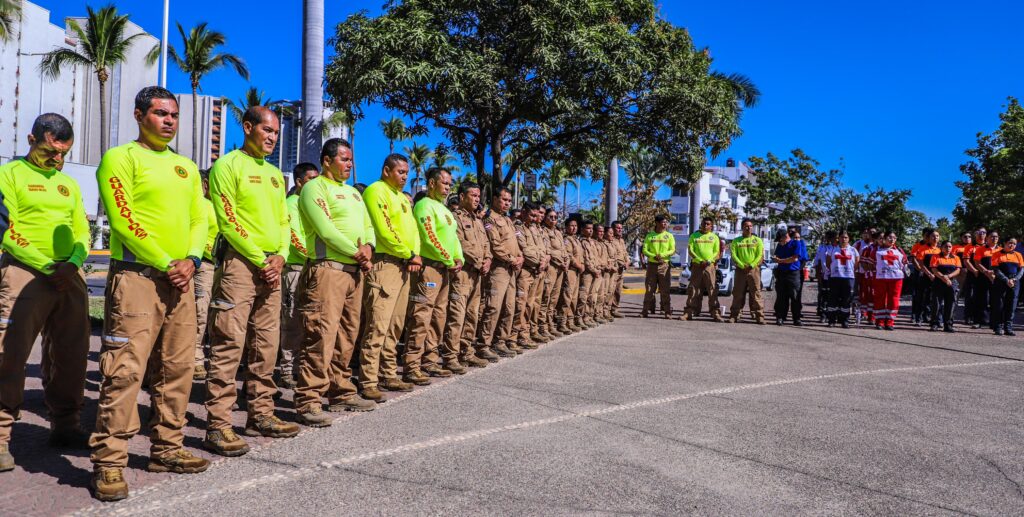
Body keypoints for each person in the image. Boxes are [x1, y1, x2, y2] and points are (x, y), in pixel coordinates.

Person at [90, 87, 210, 501]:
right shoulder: (120, 158)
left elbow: (199, 218)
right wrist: (165, 261)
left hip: (181, 280)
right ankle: (109, 461)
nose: (169, 121)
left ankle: (167, 449)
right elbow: (123, 219)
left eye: (174, 114)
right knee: (124, 371)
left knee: (177, 369)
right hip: (137, 279)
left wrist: (191, 260)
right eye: (160, 113)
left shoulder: (186, 167)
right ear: (139, 115)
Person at [205, 106, 298, 457]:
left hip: (272, 267)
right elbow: (228, 220)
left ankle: (261, 415)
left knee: (266, 345)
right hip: (241, 266)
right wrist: (261, 259)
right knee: (229, 343)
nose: (273, 137)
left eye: (276, 132)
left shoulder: (274, 175)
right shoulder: (228, 165)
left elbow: (284, 221)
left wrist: (281, 256)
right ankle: (218, 424)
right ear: (247, 127)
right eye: (267, 130)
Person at [0, 114, 90, 473]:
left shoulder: (69, 184)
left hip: (69, 274)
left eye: (63, 153)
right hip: (25, 271)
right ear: (31, 139)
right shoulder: (10, 174)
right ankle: (1, 435)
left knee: (72, 355)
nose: (57, 158)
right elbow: (6, 230)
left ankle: (66, 426)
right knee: (9, 354)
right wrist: (46, 265)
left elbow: (81, 229)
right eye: (50, 151)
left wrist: (74, 262)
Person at [292, 138, 376, 428]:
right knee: (320, 335)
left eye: (351, 159)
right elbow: (325, 229)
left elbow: (367, 225)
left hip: (354, 271)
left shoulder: (353, 193)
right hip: (328, 269)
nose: (349, 164)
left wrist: (369, 247)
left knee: (347, 335)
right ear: (327, 161)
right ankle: (308, 400)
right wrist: (357, 252)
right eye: (344, 159)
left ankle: (341, 391)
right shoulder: (315, 187)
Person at [359, 154, 422, 397]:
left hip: (404, 265)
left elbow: (413, 230)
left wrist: (414, 253)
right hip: (385, 264)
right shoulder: (376, 191)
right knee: (378, 325)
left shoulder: (402, 198)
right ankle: (368, 381)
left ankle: (388, 374)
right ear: (386, 171)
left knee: (395, 326)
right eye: (400, 172)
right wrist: (409, 253)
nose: (404, 177)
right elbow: (384, 230)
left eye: (406, 173)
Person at [404, 167, 464, 383]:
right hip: (429, 269)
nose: (448, 187)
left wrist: (459, 258)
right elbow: (429, 237)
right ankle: (412, 365)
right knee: (421, 317)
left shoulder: (445, 210)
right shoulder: (424, 205)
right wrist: (449, 259)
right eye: (444, 183)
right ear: (431, 183)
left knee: (438, 317)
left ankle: (430, 361)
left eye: (449, 184)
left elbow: (454, 239)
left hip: (444, 269)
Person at [279, 162, 319, 389]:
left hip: (311, 268)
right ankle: (287, 370)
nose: (315, 183)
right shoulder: (292, 204)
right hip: (296, 269)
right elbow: (295, 238)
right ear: (299, 181)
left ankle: (301, 368)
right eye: (311, 179)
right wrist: (314, 257)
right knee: (292, 321)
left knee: (308, 323)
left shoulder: (311, 203)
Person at [442, 182, 491, 370]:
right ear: (462, 197)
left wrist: (488, 260)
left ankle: (466, 352)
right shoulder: (455, 217)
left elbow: (485, 244)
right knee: (457, 316)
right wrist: (479, 261)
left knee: (472, 315)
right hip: (463, 273)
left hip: (477, 274)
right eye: (473, 195)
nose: (477, 199)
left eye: (478, 196)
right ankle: (450, 356)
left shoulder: (478, 220)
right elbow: (460, 243)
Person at [477, 188, 523, 360]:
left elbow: (515, 243)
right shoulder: (489, 219)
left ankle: (500, 341)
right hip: (499, 269)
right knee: (493, 307)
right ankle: (484, 344)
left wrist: (520, 256)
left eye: (509, 201)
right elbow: (495, 245)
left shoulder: (507, 220)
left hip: (511, 269)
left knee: (509, 307)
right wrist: (512, 259)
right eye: (504, 200)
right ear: (495, 199)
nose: (507, 203)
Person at [193, 171, 219, 380]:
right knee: (200, 313)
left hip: (222, 266)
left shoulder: (221, 205)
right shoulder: (201, 204)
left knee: (217, 316)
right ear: (205, 184)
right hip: (205, 264)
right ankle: (196, 359)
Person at [514, 203, 545, 350]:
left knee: (530, 304)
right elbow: (525, 250)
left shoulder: (532, 228)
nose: (534, 218)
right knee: (520, 305)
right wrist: (539, 261)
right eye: (532, 215)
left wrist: (543, 260)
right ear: (523, 212)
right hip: (525, 270)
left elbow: (540, 248)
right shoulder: (518, 228)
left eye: (535, 215)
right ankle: (516, 336)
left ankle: (525, 334)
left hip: (535, 270)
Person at [728, 218, 765, 324]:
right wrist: (741, 265)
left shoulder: (757, 240)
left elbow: (759, 255)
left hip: (754, 270)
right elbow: (734, 255)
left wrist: (752, 265)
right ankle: (735, 315)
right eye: (746, 226)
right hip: (740, 270)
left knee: (756, 293)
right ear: (742, 228)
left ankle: (759, 316)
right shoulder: (736, 241)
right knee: (738, 293)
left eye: (750, 226)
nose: (749, 228)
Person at [684, 217, 722, 321]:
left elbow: (717, 252)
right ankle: (690, 311)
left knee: (712, 289)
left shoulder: (714, 237)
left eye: (708, 224)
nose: (705, 226)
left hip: (709, 266)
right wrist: (700, 260)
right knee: (693, 289)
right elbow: (691, 250)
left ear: (711, 226)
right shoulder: (694, 236)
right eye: (704, 223)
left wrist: (708, 261)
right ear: (701, 224)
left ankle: (715, 312)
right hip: (697, 265)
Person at [539, 209, 567, 338]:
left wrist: (566, 261)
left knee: (554, 298)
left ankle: (550, 325)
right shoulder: (543, 231)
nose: (553, 219)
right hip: (551, 267)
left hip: (560, 268)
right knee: (546, 297)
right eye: (550, 217)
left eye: (555, 217)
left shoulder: (558, 233)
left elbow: (563, 250)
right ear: (545, 218)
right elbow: (549, 251)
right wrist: (560, 261)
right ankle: (542, 326)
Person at [872, 231, 908, 330]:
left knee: (894, 300)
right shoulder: (876, 250)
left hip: (896, 279)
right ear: (884, 239)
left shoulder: (899, 250)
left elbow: (905, 263)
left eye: (894, 238)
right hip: (880, 278)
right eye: (890, 237)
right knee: (879, 298)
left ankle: (890, 322)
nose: (892, 240)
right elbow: (870, 264)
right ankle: (880, 321)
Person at [640, 216, 675, 318]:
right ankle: (645, 311)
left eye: (665, 222)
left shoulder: (669, 236)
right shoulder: (650, 236)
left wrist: (662, 255)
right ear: (656, 223)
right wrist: (653, 256)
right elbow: (644, 250)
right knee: (649, 289)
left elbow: (672, 250)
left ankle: (667, 311)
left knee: (665, 290)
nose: (664, 224)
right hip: (652, 265)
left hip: (664, 265)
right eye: (662, 222)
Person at [825, 231, 859, 328]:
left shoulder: (853, 250)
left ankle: (844, 320)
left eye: (846, 237)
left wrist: (850, 271)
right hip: (835, 277)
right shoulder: (832, 249)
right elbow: (828, 262)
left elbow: (857, 263)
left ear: (849, 239)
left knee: (846, 300)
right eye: (842, 237)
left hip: (848, 278)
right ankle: (831, 320)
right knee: (833, 300)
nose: (843, 239)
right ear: (838, 238)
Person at [772, 229, 806, 326]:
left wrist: (781, 261)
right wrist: (776, 259)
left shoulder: (796, 243)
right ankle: (780, 317)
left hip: (793, 273)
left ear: (785, 237)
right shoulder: (780, 245)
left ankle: (796, 318)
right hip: (782, 273)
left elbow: (794, 258)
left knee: (795, 296)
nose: (780, 242)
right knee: (781, 297)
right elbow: (777, 255)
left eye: (780, 239)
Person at [989, 237, 1022, 336]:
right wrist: (1006, 280)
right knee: (999, 304)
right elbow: (996, 269)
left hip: (1014, 282)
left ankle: (1008, 327)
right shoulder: (996, 254)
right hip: (1001, 281)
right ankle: (998, 327)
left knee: (1011, 304)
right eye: (1010, 243)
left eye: (1014, 243)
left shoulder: (1018, 255)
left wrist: (1014, 279)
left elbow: (1021, 270)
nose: (1012, 245)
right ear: (1004, 243)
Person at [558, 218, 585, 332]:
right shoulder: (566, 240)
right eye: (571, 225)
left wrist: (581, 265)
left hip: (577, 271)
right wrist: (579, 265)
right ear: (566, 227)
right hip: (571, 270)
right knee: (567, 297)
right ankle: (562, 322)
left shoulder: (576, 240)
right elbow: (569, 255)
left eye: (576, 226)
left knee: (574, 298)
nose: (574, 228)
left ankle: (570, 321)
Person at [909, 228, 940, 326]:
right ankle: (917, 317)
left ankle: (928, 316)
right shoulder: (920, 247)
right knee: (920, 297)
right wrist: (924, 271)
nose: (935, 238)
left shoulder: (940, 249)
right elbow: (917, 261)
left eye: (937, 236)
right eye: (932, 236)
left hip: (935, 276)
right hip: (923, 275)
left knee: (932, 298)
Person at [929, 241, 961, 333]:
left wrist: (948, 277)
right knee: (936, 304)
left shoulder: (956, 257)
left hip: (952, 283)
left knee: (951, 304)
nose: (948, 248)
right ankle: (935, 324)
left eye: (950, 246)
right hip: (938, 282)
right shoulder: (935, 257)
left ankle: (948, 325)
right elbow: (934, 269)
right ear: (941, 247)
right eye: (946, 246)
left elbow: (958, 270)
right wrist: (943, 278)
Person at [970, 230, 999, 329]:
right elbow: (977, 262)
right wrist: (986, 272)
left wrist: (994, 274)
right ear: (987, 238)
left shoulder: (1001, 250)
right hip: (982, 277)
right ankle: (978, 321)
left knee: (995, 300)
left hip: (996, 278)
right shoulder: (981, 249)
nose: (994, 238)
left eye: (996, 237)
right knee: (981, 299)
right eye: (992, 236)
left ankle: (994, 322)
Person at [579, 221, 602, 327]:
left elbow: (596, 258)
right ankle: (580, 317)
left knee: (593, 296)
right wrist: (594, 270)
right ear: (583, 230)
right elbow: (586, 259)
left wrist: (598, 268)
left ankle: (589, 316)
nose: (591, 230)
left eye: (592, 228)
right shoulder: (582, 242)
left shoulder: (593, 242)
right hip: (588, 273)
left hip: (596, 271)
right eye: (588, 228)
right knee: (584, 297)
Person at [951, 231, 975, 325]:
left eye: (969, 236)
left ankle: (968, 317)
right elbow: (952, 260)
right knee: (955, 295)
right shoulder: (955, 248)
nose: (967, 238)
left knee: (970, 296)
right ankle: (950, 316)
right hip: (959, 274)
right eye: (965, 236)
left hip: (972, 274)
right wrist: (960, 269)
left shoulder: (974, 247)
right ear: (961, 238)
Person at [813, 231, 837, 323]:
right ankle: (823, 314)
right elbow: (817, 261)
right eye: (826, 238)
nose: (827, 239)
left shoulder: (837, 248)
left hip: (835, 275)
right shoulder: (822, 247)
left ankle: (832, 314)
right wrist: (818, 274)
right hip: (824, 275)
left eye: (829, 238)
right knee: (823, 295)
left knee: (833, 295)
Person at [853, 228, 876, 323]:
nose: (871, 234)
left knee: (870, 294)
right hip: (859, 272)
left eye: (874, 233)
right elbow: (853, 256)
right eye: (870, 233)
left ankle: (868, 313)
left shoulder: (877, 245)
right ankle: (857, 311)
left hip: (872, 274)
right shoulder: (858, 244)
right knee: (858, 293)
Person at [610, 221, 628, 318]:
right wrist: (622, 263)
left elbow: (625, 253)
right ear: (613, 229)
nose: (620, 230)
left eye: (621, 228)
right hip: (614, 269)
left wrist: (627, 261)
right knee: (610, 291)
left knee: (618, 291)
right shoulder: (611, 240)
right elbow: (613, 256)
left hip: (621, 270)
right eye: (618, 228)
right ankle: (607, 310)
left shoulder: (621, 240)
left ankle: (614, 309)